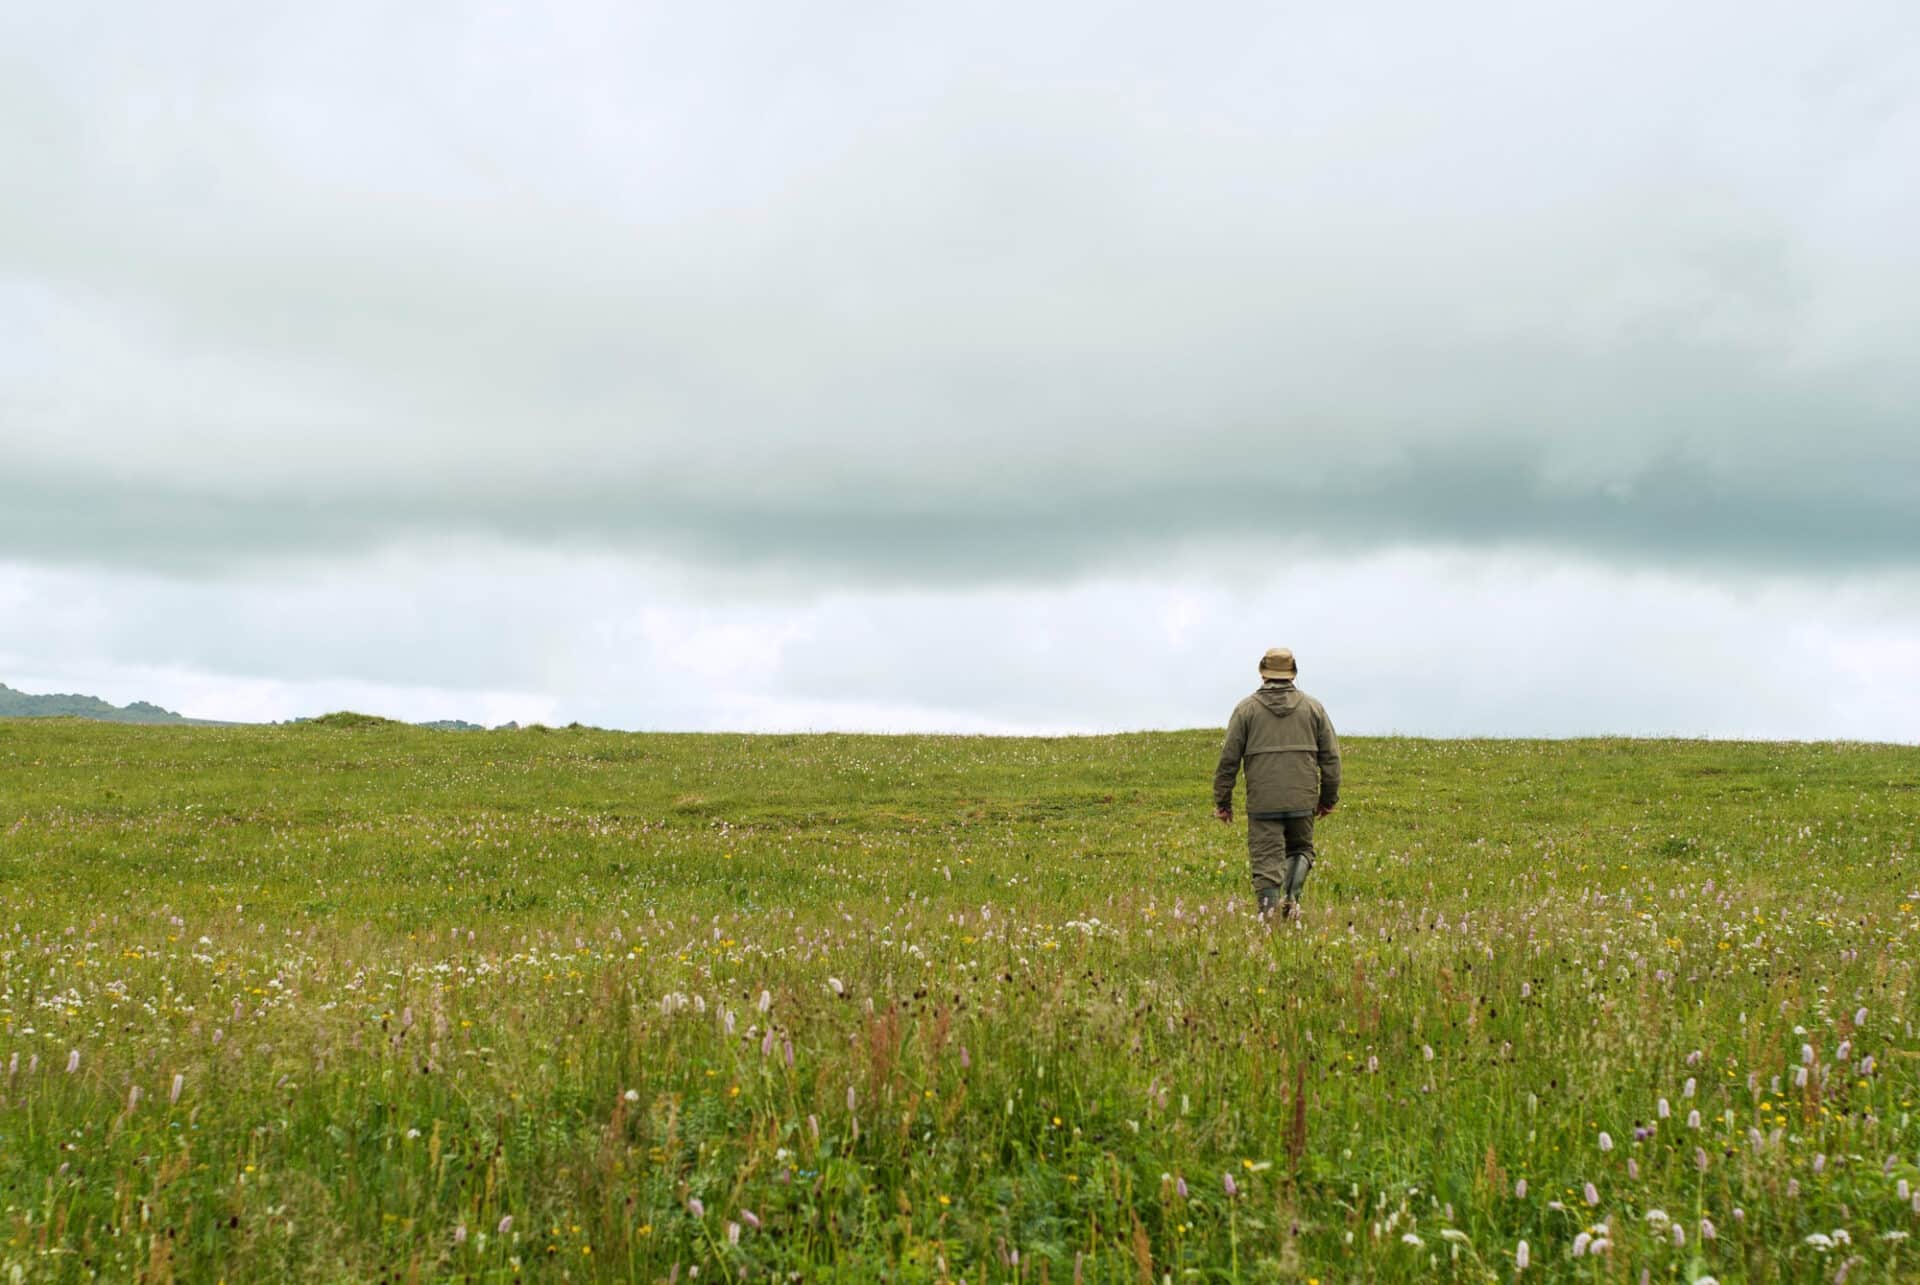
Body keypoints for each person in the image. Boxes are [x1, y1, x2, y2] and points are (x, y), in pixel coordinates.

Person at [1212, 647, 1341, 920]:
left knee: (1265, 861)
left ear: (1262, 672)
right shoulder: (1313, 708)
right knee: (1301, 849)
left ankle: (1268, 918)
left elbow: (1228, 760)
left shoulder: (1245, 710)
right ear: (1292, 672)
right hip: (1302, 800)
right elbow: (1331, 758)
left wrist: (1223, 802)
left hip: (1263, 802)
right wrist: (1328, 799)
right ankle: (1292, 901)